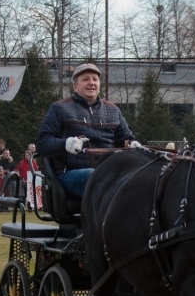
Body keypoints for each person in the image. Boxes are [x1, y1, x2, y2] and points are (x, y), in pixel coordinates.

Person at [37, 62, 139, 198]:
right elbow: (42, 143)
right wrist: (66, 144)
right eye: (85, 79)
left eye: (95, 79)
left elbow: (126, 137)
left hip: (109, 170)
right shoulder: (59, 108)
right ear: (75, 86)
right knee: (96, 176)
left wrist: (133, 143)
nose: (91, 83)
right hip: (72, 174)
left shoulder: (113, 110)